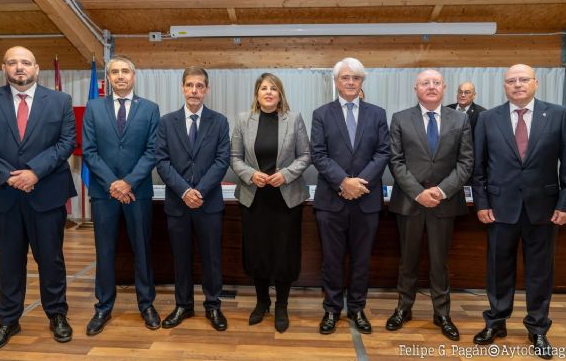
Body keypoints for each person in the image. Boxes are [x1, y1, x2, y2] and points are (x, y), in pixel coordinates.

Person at [0, 46, 77, 351]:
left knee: (51, 260)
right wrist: (10, 176)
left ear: (36, 68)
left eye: (25, 63)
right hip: (3, 195)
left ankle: (57, 315)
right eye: (13, 63)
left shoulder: (60, 101)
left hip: (47, 193)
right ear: (3, 68)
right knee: (9, 261)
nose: (19, 68)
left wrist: (34, 173)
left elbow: (67, 142)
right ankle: (8, 319)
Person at [472, 64, 566, 359]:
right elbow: (478, 168)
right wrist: (481, 204)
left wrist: (565, 203)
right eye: (511, 81)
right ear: (504, 86)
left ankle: (538, 328)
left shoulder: (557, 115)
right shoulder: (487, 119)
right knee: (497, 270)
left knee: (540, 273)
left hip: (544, 210)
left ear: (536, 83)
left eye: (523, 80)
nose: (517, 85)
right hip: (499, 209)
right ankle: (495, 322)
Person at [385, 69, 473, 341]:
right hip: (410, 203)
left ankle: (442, 313)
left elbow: (466, 162)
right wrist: (417, 192)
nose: (431, 87)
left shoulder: (460, 120)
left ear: (444, 87)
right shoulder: (400, 119)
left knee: (439, 261)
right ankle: (404, 308)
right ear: (416, 88)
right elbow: (395, 161)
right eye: (425, 83)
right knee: (407, 260)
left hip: (443, 204)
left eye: (436, 83)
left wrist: (441, 190)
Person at [310, 57, 390, 335]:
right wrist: (343, 181)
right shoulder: (321, 114)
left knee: (361, 259)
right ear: (336, 81)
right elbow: (318, 154)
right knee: (331, 259)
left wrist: (359, 184)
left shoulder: (377, 114)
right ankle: (331, 309)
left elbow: (383, 153)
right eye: (345, 77)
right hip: (331, 201)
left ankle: (356, 308)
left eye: (356, 78)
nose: (350, 82)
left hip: (366, 200)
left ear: (362, 82)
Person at [82, 55, 161, 335]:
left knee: (142, 250)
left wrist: (127, 183)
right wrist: (113, 184)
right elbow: (89, 151)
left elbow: (152, 152)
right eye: (114, 72)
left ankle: (146, 304)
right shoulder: (93, 108)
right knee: (104, 253)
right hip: (104, 194)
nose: (120, 76)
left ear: (134, 75)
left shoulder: (151, 109)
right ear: (108, 78)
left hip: (138, 192)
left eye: (125, 71)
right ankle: (103, 307)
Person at [230, 73, 311, 333]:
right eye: (263, 88)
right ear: (257, 94)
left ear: (280, 94)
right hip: (254, 197)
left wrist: (285, 174)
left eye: (273, 89)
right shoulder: (244, 120)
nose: (268, 92)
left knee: (284, 252)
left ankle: (282, 305)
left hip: (285, 199)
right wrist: (250, 174)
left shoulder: (294, 119)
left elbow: (306, 155)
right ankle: (262, 301)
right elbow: (234, 157)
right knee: (258, 251)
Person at [155, 66, 230, 331]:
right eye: (190, 85)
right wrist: (185, 191)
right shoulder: (166, 122)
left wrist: (200, 191)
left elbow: (222, 161)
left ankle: (213, 306)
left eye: (200, 86)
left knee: (212, 258)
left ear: (207, 90)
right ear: (182, 88)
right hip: (178, 203)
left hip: (209, 203)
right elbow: (161, 161)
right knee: (181, 257)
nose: (195, 91)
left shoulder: (219, 121)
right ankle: (183, 305)